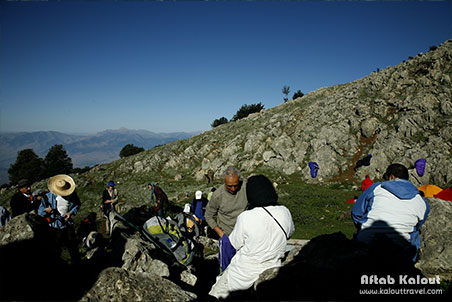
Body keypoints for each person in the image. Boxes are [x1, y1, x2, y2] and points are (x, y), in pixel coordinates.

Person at [209, 175, 295, 299]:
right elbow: (290, 232)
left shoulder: (247, 217)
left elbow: (234, 243)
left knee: (215, 293)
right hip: (272, 269)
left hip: (242, 275)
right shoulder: (285, 211)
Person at [352, 163, 430, 261]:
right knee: (415, 233)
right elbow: (418, 225)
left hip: (367, 243)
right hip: (401, 251)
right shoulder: (421, 201)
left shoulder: (376, 188)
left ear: (391, 177)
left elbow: (356, 213)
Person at [38, 174, 81, 264]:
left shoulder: (72, 196)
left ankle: (77, 264)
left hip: (67, 224)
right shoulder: (47, 197)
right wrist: (46, 210)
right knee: (56, 248)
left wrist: (70, 213)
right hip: (54, 225)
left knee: (72, 246)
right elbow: (40, 211)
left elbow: (77, 204)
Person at [205, 166, 248, 240]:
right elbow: (208, 215)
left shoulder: (246, 188)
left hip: (245, 234)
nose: (233, 189)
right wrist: (222, 235)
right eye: (229, 186)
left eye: (236, 185)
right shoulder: (217, 195)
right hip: (227, 235)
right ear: (224, 181)